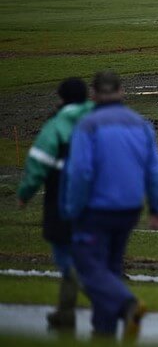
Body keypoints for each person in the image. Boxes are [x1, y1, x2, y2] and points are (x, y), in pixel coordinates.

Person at [61, 70, 158, 340]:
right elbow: (153, 171)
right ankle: (104, 329)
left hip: (97, 210)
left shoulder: (87, 125)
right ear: (121, 92)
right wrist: (156, 209)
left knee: (86, 268)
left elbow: (80, 172)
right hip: (130, 209)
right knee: (111, 269)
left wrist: (73, 209)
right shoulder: (141, 124)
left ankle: (127, 304)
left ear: (93, 94)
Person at [16, 77, 94, 331]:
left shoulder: (58, 123)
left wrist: (25, 193)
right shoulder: (99, 120)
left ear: (63, 98)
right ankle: (65, 313)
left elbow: (39, 162)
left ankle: (115, 302)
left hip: (62, 195)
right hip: (97, 198)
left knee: (65, 256)